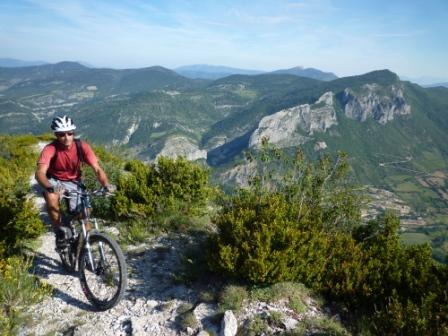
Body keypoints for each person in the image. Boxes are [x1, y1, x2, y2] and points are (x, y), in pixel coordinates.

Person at [35, 115, 115, 250]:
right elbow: (40, 173)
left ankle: (83, 246)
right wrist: (49, 187)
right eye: (61, 135)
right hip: (55, 180)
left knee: (84, 215)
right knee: (51, 197)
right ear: (56, 135)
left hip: (74, 181)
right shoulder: (50, 149)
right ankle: (59, 231)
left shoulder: (81, 146)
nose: (66, 137)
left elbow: (97, 169)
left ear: (74, 133)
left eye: (70, 133)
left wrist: (106, 185)